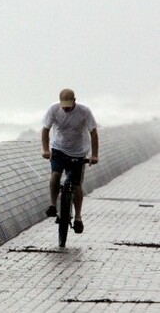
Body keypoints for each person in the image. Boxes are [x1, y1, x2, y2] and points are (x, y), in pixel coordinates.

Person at [41, 88, 98, 234]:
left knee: (76, 184)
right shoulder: (53, 109)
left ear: (74, 100)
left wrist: (94, 155)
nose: (66, 108)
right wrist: (46, 150)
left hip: (78, 152)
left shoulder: (84, 111)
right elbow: (45, 130)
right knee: (55, 175)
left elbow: (93, 133)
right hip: (59, 149)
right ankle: (53, 205)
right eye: (63, 105)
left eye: (68, 104)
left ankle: (78, 217)